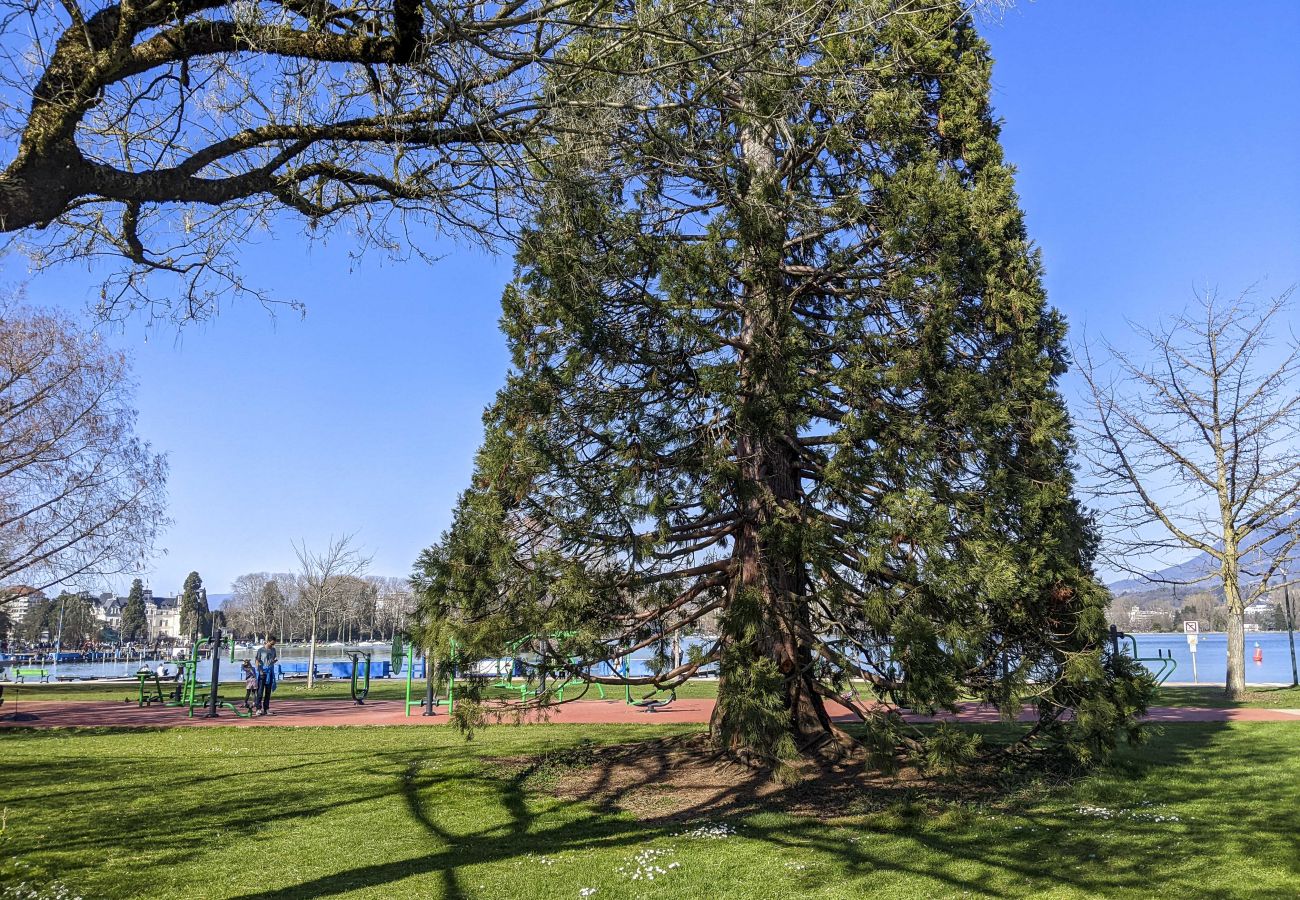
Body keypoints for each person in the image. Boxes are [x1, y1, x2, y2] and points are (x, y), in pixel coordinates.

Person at [254, 637, 278, 716]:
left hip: (270, 672)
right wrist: (259, 670)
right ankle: (258, 709)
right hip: (262, 672)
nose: (272, 645)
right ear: (267, 642)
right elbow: (257, 661)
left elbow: (272, 660)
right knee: (260, 691)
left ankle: (266, 708)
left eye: (273, 644)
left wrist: (273, 661)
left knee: (268, 692)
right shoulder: (261, 650)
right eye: (271, 644)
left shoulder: (273, 650)